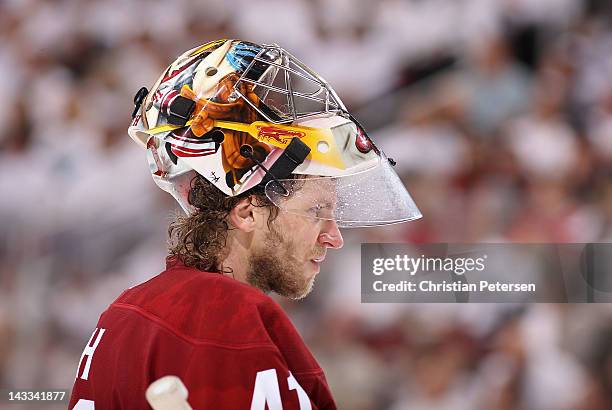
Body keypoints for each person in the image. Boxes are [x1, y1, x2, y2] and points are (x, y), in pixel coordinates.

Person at [69, 39, 421, 409]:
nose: (334, 238)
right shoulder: (230, 317)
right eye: (316, 212)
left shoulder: (121, 316)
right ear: (247, 212)